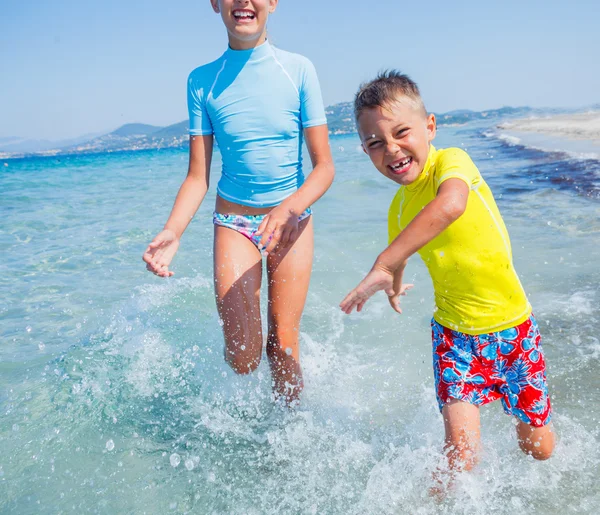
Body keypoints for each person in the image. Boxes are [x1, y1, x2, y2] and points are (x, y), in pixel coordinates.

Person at [339, 70, 554, 477]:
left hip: (514, 330)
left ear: (430, 126)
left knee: (538, 451)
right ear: (366, 152)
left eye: (402, 132)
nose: (392, 149)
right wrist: (394, 284)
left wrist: (384, 264)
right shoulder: (398, 209)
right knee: (461, 458)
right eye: (375, 143)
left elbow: (452, 205)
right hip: (454, 338)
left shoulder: (452, 163)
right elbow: (401, 256)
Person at [143, 0, 334, 406]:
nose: (244, 1)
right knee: (244, 355)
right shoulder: (202, 81)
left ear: (272, 3)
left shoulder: (298, 69)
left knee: (282, 344)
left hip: (292, 219)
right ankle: (238, 419)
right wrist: (173, 231)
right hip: (235, 222)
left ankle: (287, 437)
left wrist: (288, 209)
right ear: (215, 4)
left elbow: (324, 169)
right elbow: (198, 176)